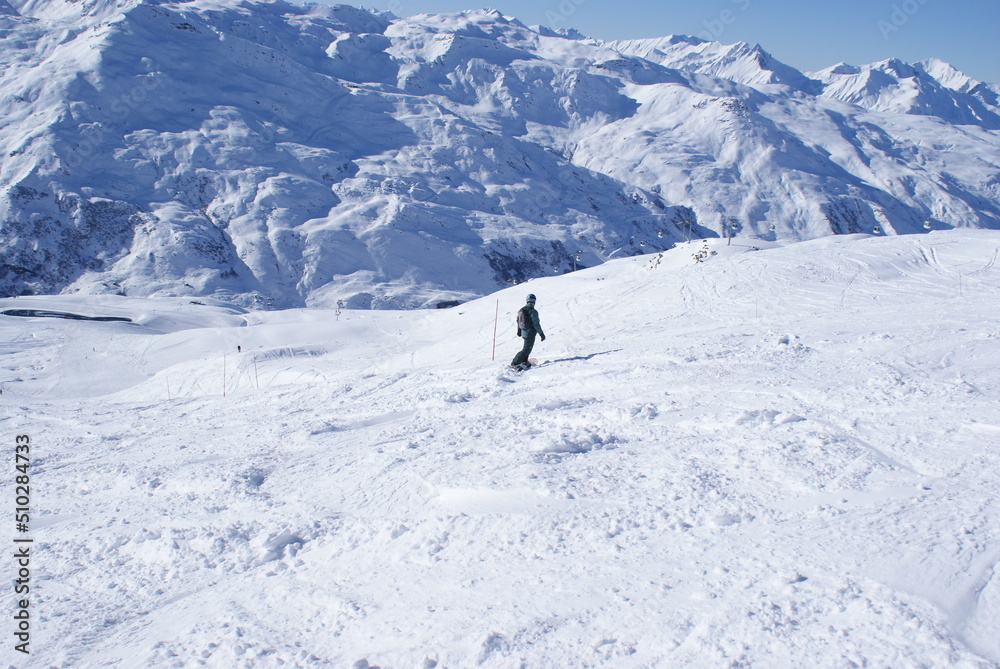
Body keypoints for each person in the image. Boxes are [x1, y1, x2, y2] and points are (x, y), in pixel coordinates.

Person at [511, 293, 545, 370]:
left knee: (527, 348)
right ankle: (515, 363)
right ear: (534, 301)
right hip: (530, 333)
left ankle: (524, 361)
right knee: (526, 349)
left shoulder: (522, 310)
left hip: (524, 332)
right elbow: (536, 324)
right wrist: (541, 333)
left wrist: (519, 331)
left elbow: (518, 321)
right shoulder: (533, 311)